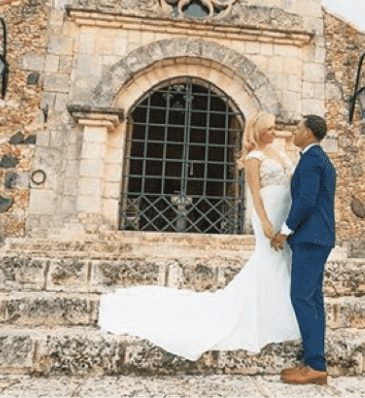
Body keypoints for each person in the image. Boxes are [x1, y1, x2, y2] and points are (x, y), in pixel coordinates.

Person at [97, 111, 299, 361]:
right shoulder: (253, 157)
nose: (273, 131)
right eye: (269, 128)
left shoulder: (279, 152)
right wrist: (267, 223)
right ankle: (267, 319)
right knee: (269, 261)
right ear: (257, 131)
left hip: (285, 212)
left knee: (282, 264)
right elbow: (255, 195)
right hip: (267, 212)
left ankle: (276, 314)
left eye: (274, 127)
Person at [271, 115, 336, 386]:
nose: (294, 133)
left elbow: (306, 200)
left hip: (310, 237)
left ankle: (315, 366)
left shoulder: (310, 159)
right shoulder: (322, 159)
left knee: (302, 297)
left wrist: (285, 231)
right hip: (320, 237)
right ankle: (314, 358)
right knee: (313, 299)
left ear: (308, 133)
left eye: (298, 129)